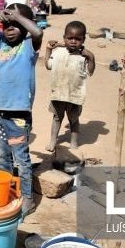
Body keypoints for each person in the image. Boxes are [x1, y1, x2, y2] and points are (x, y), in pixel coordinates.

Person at [0, 3, 43, 216]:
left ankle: (27, 198)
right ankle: (7, 191)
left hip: (18, 115)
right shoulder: (1, 42)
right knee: (3, 156)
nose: (10, 28)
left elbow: (38, 31)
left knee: (21, 158)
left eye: (15, 25)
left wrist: (16, 16)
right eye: (6, 25)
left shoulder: (28, 46)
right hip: (0, 111)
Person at [44, 21, 95, 152]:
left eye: (77, 39)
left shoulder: (84, 56)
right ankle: (53, 141)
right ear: (64, 38)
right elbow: (48, 65)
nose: (73, 41)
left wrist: (91, 58)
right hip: (58, 93)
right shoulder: (59, 52)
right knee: (56, 117)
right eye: (70, 38)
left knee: (73, 120)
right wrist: (48, 50)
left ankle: (73, 142)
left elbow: (90, 71)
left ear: (83, 39)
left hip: (74, 94)